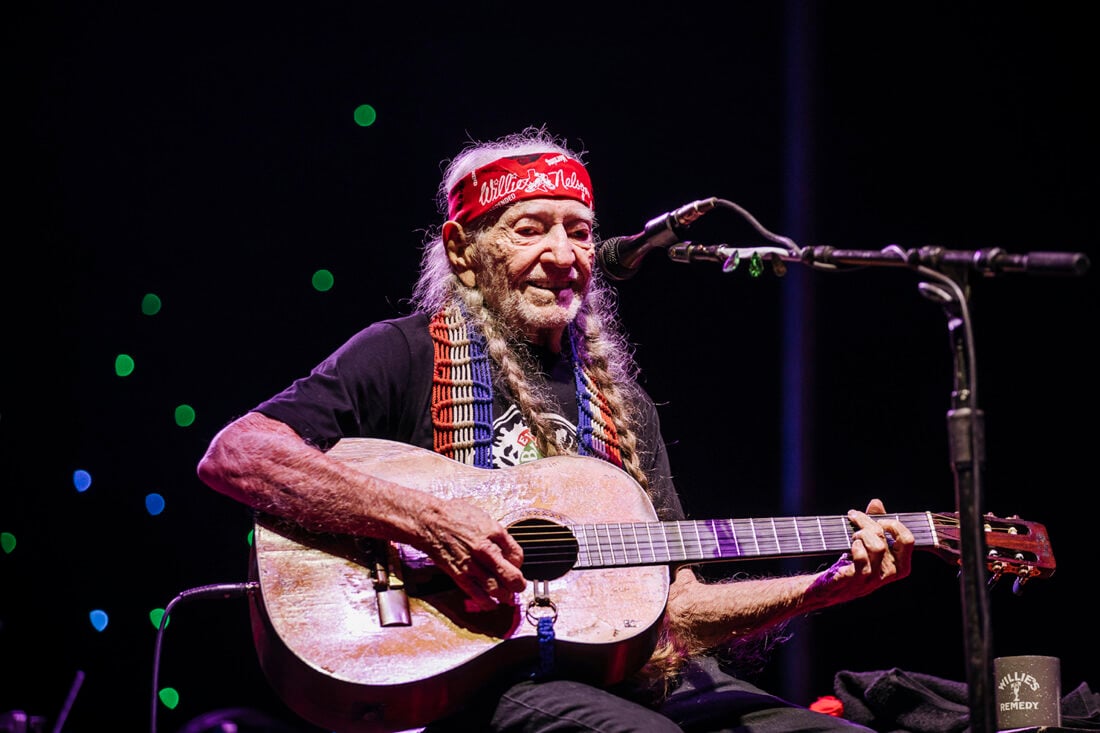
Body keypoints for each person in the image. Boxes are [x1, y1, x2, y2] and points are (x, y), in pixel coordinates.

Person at [196, 125, 915, 732]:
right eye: (530, 229)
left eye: (579, 231)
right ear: (461, 248)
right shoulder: (404, 352)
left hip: (632, 679)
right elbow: (238, 453)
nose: (565, 254)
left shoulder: (620, 407)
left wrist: (817, 589)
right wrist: (427, 521)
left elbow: (678, 609)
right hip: (479, 679)